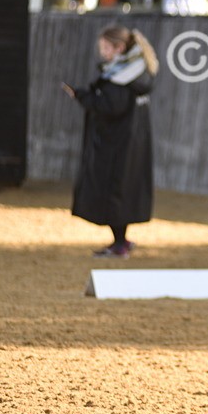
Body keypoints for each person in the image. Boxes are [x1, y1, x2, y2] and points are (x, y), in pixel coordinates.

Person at [63, 26, 158, 258]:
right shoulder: (135, 73)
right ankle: (121, 241)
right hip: (131, 144)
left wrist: (82, 96)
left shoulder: (121, 76)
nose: (103, 52)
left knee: (115, 191)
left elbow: (110, 107)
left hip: (118, 146)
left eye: (106, 47)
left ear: (120, 48)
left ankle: (119, 244)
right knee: (122, 192)